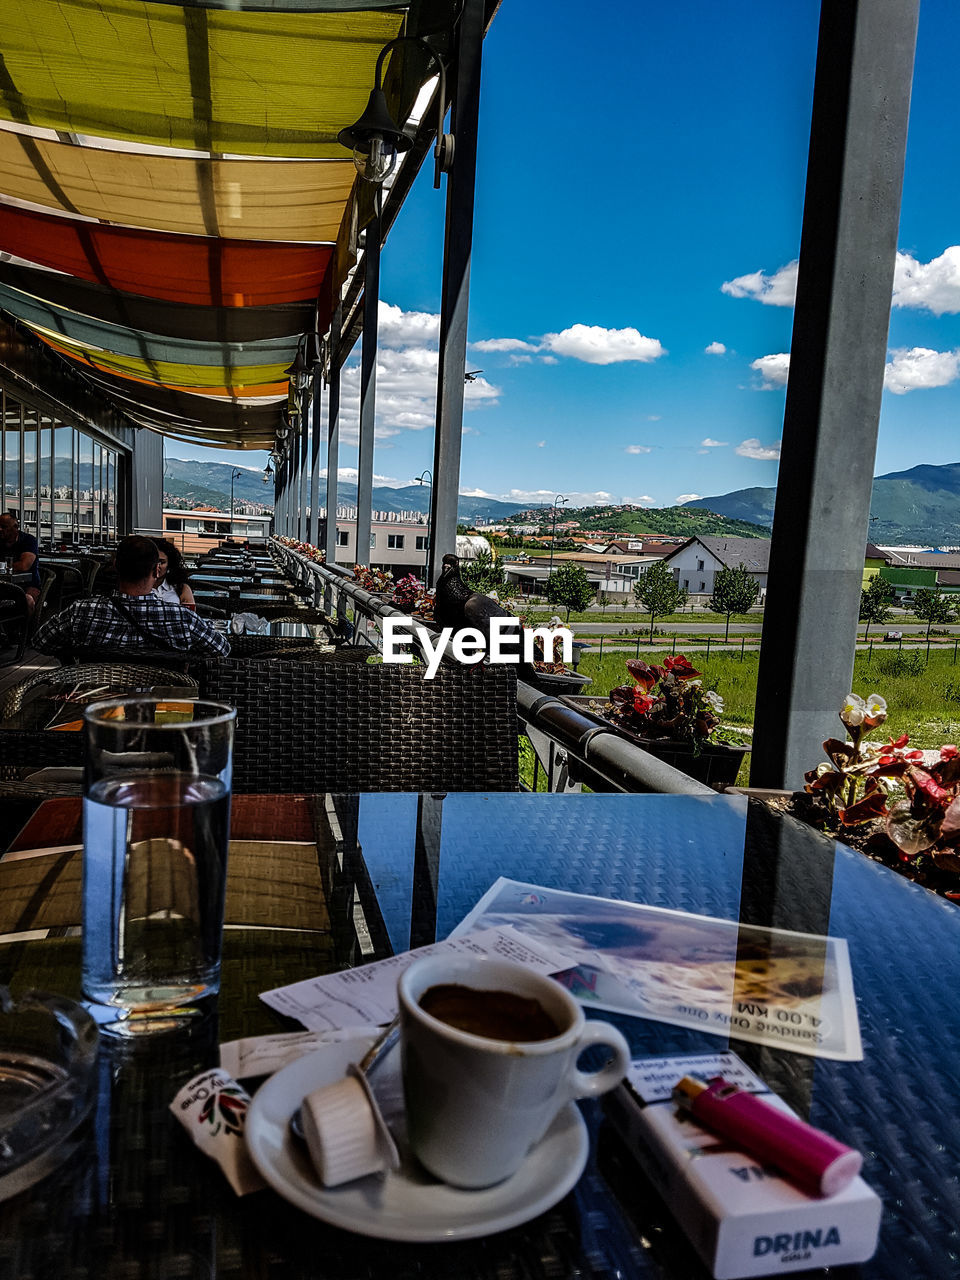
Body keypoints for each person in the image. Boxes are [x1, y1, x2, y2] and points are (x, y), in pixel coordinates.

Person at [34, 535, 230, 657]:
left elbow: (40, 642)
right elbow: (222, 649)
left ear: (116, 566)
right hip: (162, 707)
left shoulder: (80, 612)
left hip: (95, 703)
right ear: (156, 571)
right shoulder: (181, 618)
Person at [0, 513, 41, 615]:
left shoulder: (28, 540)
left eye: (4, 527)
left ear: (15, 527)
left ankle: (27, 629)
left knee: (28, 600)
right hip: (4, 585)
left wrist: (4, 566)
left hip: (28, 584)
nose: (0, 529)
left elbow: (24, 566)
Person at [152, 538, 196, 611]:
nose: (157, 566)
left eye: (162, 562)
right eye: (153, 561)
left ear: (170, 564)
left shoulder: (181, 588)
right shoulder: (135, 586)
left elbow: (190, 615)